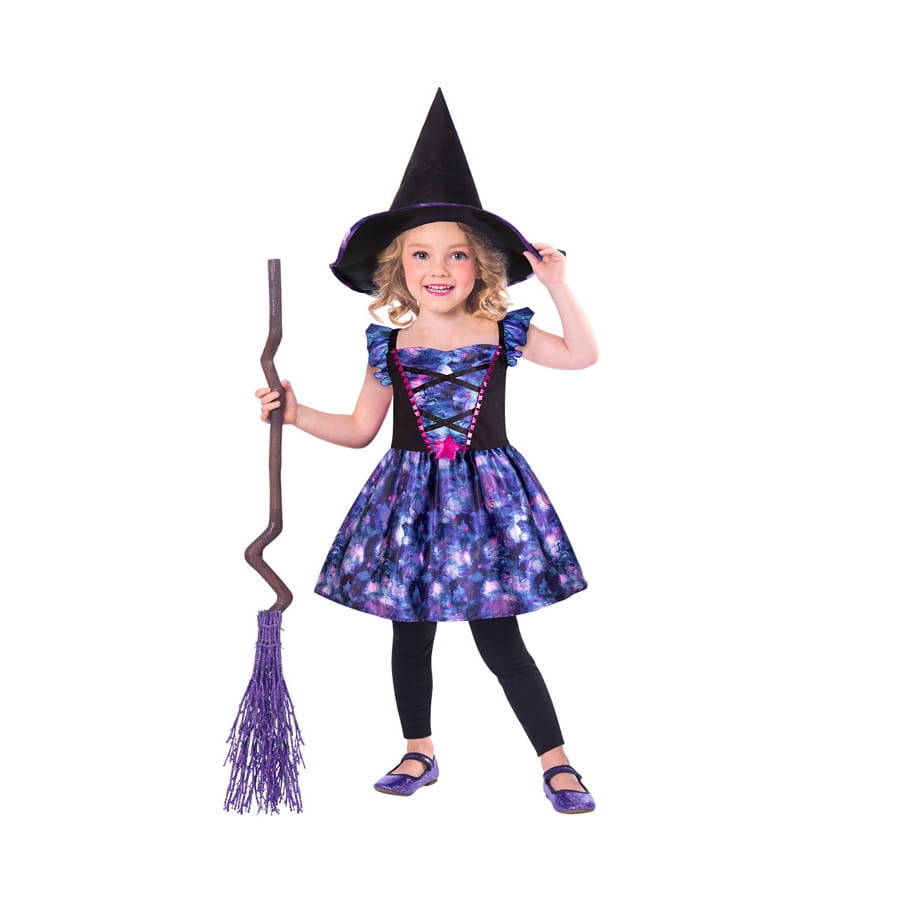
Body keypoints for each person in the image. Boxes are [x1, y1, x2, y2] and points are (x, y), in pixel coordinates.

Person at [255, 90, 599, 814]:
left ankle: (558, 762)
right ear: (398, 268)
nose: (438, 267)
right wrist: (294, 412)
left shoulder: (502, 331)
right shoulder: (389, 344)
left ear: (481, 267)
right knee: (410, 636)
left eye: (456, 254)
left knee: (500, 640)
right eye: (421, 254)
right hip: (408, 506)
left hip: (487, 505)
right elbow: (360, 429)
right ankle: (419, 751)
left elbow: (581, 355)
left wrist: (560, 287)